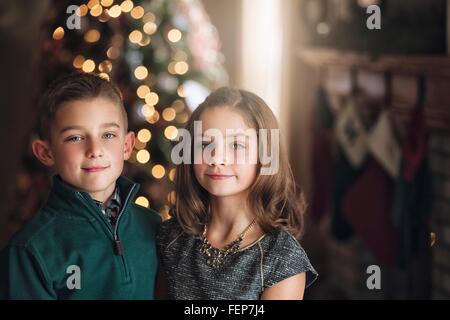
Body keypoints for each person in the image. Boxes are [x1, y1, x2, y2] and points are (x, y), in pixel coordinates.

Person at [0, 72, 161, 299]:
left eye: (108, 134)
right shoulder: (30, 250)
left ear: (127, 145)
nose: (95, 149)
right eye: (75, 137)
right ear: (46, 153)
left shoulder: (154, 226)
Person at [156, 87, 318, 299]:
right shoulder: (169, 237)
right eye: (205, 143)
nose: (216, 158)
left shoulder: (281, 258)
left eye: (236, 145)